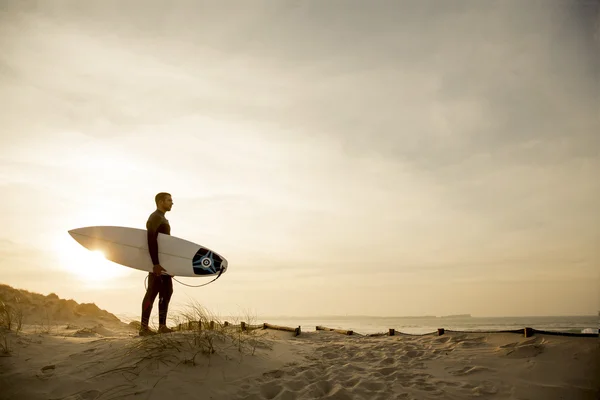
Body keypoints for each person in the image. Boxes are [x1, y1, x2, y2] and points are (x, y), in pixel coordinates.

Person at [139, 192, 175, 336]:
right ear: (161, 202)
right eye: (169, 200)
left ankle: (162, 326)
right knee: (152, 293)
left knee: (166, 292)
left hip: (163, 264)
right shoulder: (155, 217)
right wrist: (155, 264)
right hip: (157, 264)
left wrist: (171, 265)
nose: (172, 203)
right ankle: (143, 327)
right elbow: (151, 239)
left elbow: (164, 246)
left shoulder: (162, 218)